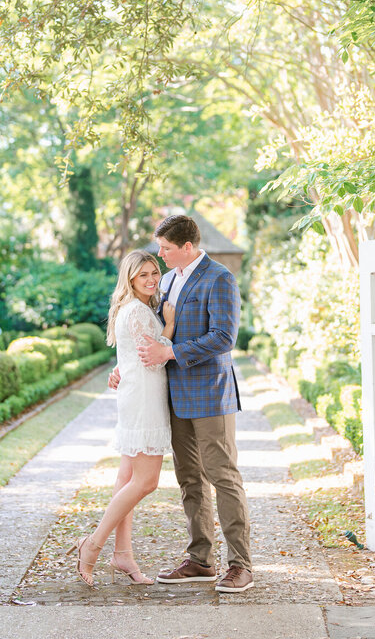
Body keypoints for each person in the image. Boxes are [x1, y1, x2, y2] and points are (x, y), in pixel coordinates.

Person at [110, 214, 253, 593]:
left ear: (187, 247)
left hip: (210, 396)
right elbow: (151, 336)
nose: (160, 255)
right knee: (189, 480)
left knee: (223, 477)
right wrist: (122, 368)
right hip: (173, 398)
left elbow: (223, 337)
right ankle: (201, 560)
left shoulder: (220, 278)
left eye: (166, 249)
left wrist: (170, 355)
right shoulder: (169, 281)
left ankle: (240, 565)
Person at [70, 250, 176, 587]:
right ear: (130, 278)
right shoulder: (139, 311)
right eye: (143, 274)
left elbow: (131, 355)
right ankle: (93, 544)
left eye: (154, 273)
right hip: (144, 398)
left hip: (136, 393)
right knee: (146, 481)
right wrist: (170, 325)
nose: (151, 279)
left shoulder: (133, 309)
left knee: (127, 477)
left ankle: (123, 554)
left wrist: (119, 370)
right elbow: (153, 358)